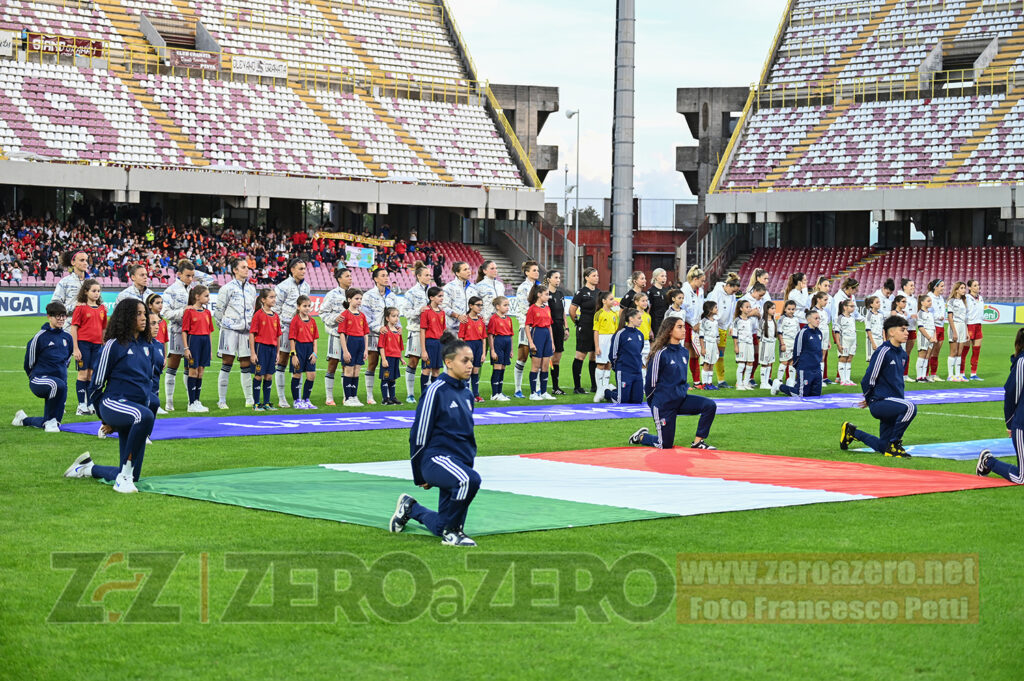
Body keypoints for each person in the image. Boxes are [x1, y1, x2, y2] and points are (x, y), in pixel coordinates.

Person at [389, 334, 481, 547]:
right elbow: (418, 434)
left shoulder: (467, 394)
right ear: (448, 363)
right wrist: (419, 473)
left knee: (440, 524)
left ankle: (410, 507)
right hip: (435, 459)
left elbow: (467, 435)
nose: (470, 365)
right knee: (469, 480)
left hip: (458, 463)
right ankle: (453, 534)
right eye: (464, 361)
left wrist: (466, 464)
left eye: (472, 360)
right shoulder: (435, 391)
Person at [63, 299, 156, 493]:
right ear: (126, 317)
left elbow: (147, 383)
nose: (144, 318)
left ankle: (87, 468)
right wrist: (105, 417)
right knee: (146, 415)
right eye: (138, 314)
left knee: (134, 474)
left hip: (134, 410)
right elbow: (96, 385)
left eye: (144, 314)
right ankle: (122, 480)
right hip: (113, 403)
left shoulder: (149, 346)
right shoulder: (114, 345)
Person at [628, 317, 718, 450]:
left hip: (681, 399)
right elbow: (650, 384)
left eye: (684, 327)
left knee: (709, 406)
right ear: (669, 331)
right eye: (679, 327)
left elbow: (679, 377)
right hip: (663, 404)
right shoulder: (660, 353)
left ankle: (698, 442)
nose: (684, 330)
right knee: (664, 445)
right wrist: (655, 404)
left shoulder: (683, 352)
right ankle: (641, 437)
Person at [840, 315, 915, 458]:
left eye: (907, 330)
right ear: (891, 332)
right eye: (903, 329)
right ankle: (895, 443)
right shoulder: (883, 351)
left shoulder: (903, 354)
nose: (907, 333)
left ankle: (852, 432)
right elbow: (868, 379)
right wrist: (870, 398)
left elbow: (897, 381)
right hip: (881, 402)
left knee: (884, 447)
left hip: (894, 403)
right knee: (910, 407)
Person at [13, 302, 72, 433]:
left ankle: (23, 419)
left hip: (60, 384)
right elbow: (28, 363)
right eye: (57, 316)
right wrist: (35, 377)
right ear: (49, 317)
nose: (61, 319)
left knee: (55, 422)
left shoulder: (67, 338)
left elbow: (67, 360)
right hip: (39, 380)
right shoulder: (39, 337)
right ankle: (50, 422)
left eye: (63, 316)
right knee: (57, 385)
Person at [162, 259, 213, 411]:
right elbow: (165, 313)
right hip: (177, 332)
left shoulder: (194, 288)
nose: (191, 279)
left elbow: (210, 279)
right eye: (187, 275)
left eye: (192, 276)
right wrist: (184, 312)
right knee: (173, 366)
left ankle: (192, 401)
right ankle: (169, 402)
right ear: (178, 274)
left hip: (195, 335)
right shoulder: (170, 291)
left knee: (191, 368)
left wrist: (193, 272)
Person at [976, 328, 1024, 483]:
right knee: (1021, 477)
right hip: (1022, 424)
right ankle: (988, 461)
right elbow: (1011, 393)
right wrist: (1010, 423)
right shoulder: (1022, 362)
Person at [213, 257, 258, 409]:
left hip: (246, 332)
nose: (247, 270)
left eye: (248, 267)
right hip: (230, 331)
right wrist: (225, 328)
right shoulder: (227, 288)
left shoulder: (252, 289)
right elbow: (218, 311)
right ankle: (221, 400)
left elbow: (252, 309)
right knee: (227, 363)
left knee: (246, 364)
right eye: (243, 267)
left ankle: (249, 398)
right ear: (235, 270)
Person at [272, 259, 310, 408]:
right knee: (282, 362)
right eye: (300, 268)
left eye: (305, 269)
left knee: (299, 363)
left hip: (301, 329)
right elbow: (276, 308)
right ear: (292, 269)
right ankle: (282, 398)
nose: (303, 271)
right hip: (285, 327)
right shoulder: (282, 287)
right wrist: (279, 328)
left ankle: (298, 398)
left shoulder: (306, 286)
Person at [69, 279, 106, 415]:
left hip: (97, 346)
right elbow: (74, 328)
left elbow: (103, 328)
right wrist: (75, 348)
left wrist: (104, 343)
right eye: (93, 291)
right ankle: (81, 405)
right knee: (83, 374)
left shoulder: (102, 308)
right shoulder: (81, 308)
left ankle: (90, 404)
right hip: (83, 344)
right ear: (86, 291)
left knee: (92, 375)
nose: (97, 294)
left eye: (98, 291)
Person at [363, 267, 399, 405]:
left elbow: (397, 315)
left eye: (387, 275)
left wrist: (398, 327)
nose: (386, 278)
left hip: (390, 337)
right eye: (383, 275)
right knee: (372, 364)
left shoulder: (392, 296)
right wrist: (378, 328)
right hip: (374, 335)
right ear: (375, 279)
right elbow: (366, 318)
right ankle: (369, 395)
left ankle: (390, 395)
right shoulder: (368, 296)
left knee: (389, 365)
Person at [772, 307, 824, 398]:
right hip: (805, 368)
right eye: (816, 318)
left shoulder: (819, 332)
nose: (818, 320)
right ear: (808, 320)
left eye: (819, 318)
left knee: (816, 395)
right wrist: (797, 365)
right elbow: (797, 351)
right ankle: (779, 386)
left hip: (816, 369)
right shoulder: (803, 333)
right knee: (801, 394)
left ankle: (793, 384)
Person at [320, 266, 353, 406]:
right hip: (336, 335)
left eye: (350, 276)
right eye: (347, 276)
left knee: (348, 365)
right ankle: (329, 397)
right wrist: (334, 318)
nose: (350, 278)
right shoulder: (332, 295)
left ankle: (346, 396)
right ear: (339, 279)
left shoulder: (354, 293)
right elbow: (323, 313)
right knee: (333, 364)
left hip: (351, 336)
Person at [402, 262, 433, 403]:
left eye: (430, 275)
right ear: (418, 276)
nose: (429, 277)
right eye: (426, 275)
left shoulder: (432, 292)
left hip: (431, 334)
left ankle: (428, 393)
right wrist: (418, 311)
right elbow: (405, 312)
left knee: (429, 364)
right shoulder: (411, 293)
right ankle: (410, 394)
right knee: (413, 361)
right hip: (415, 331)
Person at [249, 288, 281, 411]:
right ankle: (256, 404)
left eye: (274, 297)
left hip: (272, 350)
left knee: (269, 376)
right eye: (271, 297)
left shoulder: (276, 316)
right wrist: (253, 353)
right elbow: (252, 334)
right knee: (259, 376)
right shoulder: (258, 315)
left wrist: (278, 353)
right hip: (260, 348)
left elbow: (278, 335)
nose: (274, 299)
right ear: (263, 300)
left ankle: (266, 403)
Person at [182, 284, 213, 412]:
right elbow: (184, 331)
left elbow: (210, 331)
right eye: (206, 296)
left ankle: (197, 401)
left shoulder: (207, 312)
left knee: (201, 372)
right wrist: (186, 348)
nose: (208, 298)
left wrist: (210, 349)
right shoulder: (189, 311)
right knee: (193, 371)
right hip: (194, 342)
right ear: (197, 297)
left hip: (205, 343)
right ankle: (191, 403)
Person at [512, 261, 541, 398]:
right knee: (522, 357)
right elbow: (524, 308)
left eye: (537, 270)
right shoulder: (523, 288)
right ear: (527, 272)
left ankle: (538, 388)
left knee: (538, 357)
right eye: (534, 270)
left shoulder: (540, 286)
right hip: (527, 326)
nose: (537, 272)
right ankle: (518, 389)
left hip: (540, 327)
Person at [569, 267, 600, 394]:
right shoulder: (581, 292)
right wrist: (577, 322)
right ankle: (577, 387)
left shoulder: (599, 292)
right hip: (585, 326)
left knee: (593, 357)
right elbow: (572, 310)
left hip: (596, 328)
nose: (596, 277)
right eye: (593, 275)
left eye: (597, 275)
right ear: (586, 277)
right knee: (581, 356)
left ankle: (595, 386)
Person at [707, 272, 741, 388]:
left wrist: (730, 326)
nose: (734, 293)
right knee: (710, 355)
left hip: (723, 329)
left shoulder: (731, 296)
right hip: (714, 327)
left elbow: (732, 312)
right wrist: (714, 322)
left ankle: (721, 381)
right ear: (728, 286)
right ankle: (707, 381)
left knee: (720, 354)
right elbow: (710, 308)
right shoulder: (716, 292)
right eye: (734, 291)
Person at [606, 308, 645, 404]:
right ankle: (607, 392)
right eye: (639, 318)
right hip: (624, 371)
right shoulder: (620, 334)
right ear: (631, 319)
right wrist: (619, 368)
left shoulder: (640, 335)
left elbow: (638, 352)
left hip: (637, 372)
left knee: (637, 401)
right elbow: (612, 354)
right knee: (622, 400)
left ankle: (618, 390)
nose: (641, 320)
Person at [289, 295, 320, 409]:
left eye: (309, 306)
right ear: (298, 307)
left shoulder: (312, 321)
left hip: (310, 350)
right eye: (304, 306)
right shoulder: (295, 321)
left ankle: (306, 399)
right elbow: (292, 339)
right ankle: (297, 400)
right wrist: (293, 355)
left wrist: (315, 353)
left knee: (311, 375)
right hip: (299, 349)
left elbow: (315, 339)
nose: (307, 308)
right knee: (297, 374)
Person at [525, 286, 555, 400]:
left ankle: (543, 392)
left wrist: (551, 342)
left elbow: (549, 325)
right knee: (536, 366)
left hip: (547, 336)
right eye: (546, 294)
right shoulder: (532, 309)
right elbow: (527, 326)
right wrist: (531, 342)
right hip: (537, 335)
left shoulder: (547, 308)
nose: (548, 296)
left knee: (545, 366)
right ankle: (533, 393)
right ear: (539, 295)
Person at [458, 296, 487, 402]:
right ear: (471, 306)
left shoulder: (481, 320)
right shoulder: (465, 320)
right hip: (468, 346)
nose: (480, 307)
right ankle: (466, 394)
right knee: (467, 371)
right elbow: (461, 337)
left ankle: (476, 395)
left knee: (475, 371)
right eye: (478, 305)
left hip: (478, 346)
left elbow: (484, 338)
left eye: (481, 305)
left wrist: (483, 353)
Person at [545, 270, 569, 395]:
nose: (558, 280)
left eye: (559, 277)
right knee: (546, 358)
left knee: (557, 359)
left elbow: (563, 312)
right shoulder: (545, 294)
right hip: (550, 327)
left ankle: (555, 387)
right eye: (555, 277)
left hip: (559, 327)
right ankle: (541, 386)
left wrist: (567, 328)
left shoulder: (560, 294)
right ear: (549, 279)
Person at [52, 250, 90, 329]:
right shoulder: (64, 282)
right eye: (82, 260)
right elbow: (54, 307)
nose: (86, 263)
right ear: (73, 262)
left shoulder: (92, 283)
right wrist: (74, 306)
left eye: (86, 260)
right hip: (69, 329)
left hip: (89, 329)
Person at [592, 291, 619, 403]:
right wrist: (597, 346)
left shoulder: (614, 314)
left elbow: (616, 330)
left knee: (609, 364)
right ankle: (599, 390)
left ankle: (605, 388)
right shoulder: (599, 313)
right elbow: (596, 331)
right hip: (602, 340)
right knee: (601, 364)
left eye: (613, 299)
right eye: (611, 299)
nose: (613, 301)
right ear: (604, 301)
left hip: (611, 340)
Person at [682, 266, 707, 386]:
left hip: (696, 325)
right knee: (684, 353)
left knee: (695, 352)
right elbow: (683, 310)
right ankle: (682, 381)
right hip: (685, 325)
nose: (703, 283)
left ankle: (696, 380)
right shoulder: (685, 290)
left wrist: (699, 323)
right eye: (702, 280)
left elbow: (700, 309)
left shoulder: (700, 291)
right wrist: (693, 323)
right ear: (695, 279)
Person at [419, 287, 446, 392]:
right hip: (429, 343)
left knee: (437, 370)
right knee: (426, 370)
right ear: (431, 297)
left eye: (442, 296)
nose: (442, 298)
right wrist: (424, 350)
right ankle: (424, 394)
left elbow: (443, 330)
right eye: (439, 296)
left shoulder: (442, 312)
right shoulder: (426, 311)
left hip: (440, 344)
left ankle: (434, 393)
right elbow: (422, 331)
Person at [486, 296, 513, 401]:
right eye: (505, 305)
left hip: (507, 344)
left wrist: (511, 350)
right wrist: (492, 350)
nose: (507, 307)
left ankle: (500, 392)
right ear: (497, 306)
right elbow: (491, 335)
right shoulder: (494, 319)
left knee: (503, 368)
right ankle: (494, 394)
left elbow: (511, 335)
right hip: (498, 344)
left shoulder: (509, 319)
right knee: (497, 368)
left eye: (508, 305)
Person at [378, 307, 405, 406]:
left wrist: (401, 358)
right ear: (387, 318)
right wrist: (384, 359)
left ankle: (392, 397)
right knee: (385, 378)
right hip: (388, 358)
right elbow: (381, 346)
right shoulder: (385, 331)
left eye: (397, 316)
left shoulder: (398, 332)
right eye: (393, 316)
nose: (396, 318)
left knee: (393, 378)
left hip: (395, 359)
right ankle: (385, 398)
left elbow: (400, 346)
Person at [731, 299, 755, 391]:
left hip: (750, 344)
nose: (749, 309)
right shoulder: (737, 320)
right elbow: (734, 334)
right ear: (741, 308)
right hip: (741, 344)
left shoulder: (750, 320)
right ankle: (739, 383)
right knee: (741, 364)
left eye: (750, 307)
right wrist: (736, 346)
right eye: (747, 307)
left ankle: (746, 383)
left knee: (750, 363)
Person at [926, 279, 947, 382]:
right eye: (941, 286)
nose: (943, 288)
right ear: (935, 287)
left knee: (936, 352)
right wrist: (938, 317)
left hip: (941, 327)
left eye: (943, 286)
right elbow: (927, 312)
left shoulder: (941, 298)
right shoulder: (929, 297)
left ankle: (933, 374)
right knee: (928, 352)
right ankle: (925, 374)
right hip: (932, 327)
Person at [947, 281, 968, 382]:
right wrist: (954, 331)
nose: (964, 290)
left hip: (962, 326)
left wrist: (967, 331)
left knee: (960, 352)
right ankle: (950, 375)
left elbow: (965, 318)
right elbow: (950, 317)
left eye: (964, 288)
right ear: (956, 290)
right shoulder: (951, 301)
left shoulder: (964, 301)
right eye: (962, 288)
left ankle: (958, 374)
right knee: (953, 351)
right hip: (954, 325)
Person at [964, 279, 985, 381]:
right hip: (969, 325)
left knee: (976, 351)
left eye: (978, 285)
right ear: (969, 288)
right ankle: (961, 373)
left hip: (978, 325)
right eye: (975, 285)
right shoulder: (967, 298)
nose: (978, 287)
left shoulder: (980, 298)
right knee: (965, 351)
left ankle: (973, 374)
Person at [834, 299, 858, 386]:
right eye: (851, 306)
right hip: (845, 341)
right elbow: (837, 332)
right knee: (843, 358)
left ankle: (848, 379)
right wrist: (838, 344)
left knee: (849, 359)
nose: (853, 308)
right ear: (845, 307)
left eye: (853, 306)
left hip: (853, 341)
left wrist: (855, 343)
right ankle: (843, 380)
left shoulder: (852, 318)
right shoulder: (840, 318)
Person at [474, 260, 504, 326]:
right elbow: (475, 305)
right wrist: (480, 317)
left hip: (499, 322)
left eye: (496, 268)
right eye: (492, 268)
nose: (495, 270)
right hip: (485, 323)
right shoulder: (479, 286)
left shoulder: (500, 285)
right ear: (485, 271)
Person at [777, 299, 800, 386]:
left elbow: (798, 332)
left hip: (794, 343)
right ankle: (779, 381)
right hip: (786, 343)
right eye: (789, 309)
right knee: (784, 362)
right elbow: (779, 332)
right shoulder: (782, 319)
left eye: (793, 309)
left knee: (792, 362)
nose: (791, 311)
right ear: (785, 309)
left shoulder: (796, 319)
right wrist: (782, 343)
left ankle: (791, 381)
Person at [698, 301, 720, 390]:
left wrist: (717, 348)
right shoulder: (703, 321)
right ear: (710, 310)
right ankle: (704, 384)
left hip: (714, 344)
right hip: (707, 344)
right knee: (706, 363)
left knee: (712, 363)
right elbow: (701, 336)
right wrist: (703, 348)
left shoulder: (715, 322)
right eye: (715, 307)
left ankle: (710, 383)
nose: (717, 309)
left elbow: (717, 335)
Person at [900, 279, 918, 378]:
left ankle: (905, 374)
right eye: (911, 285)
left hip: (912, 328)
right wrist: (911, 315)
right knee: (900, 352)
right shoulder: (900, 298)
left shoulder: (914, 299)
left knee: (907, 353)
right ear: (904, 287)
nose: (913, 287)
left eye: (913, 285)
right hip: (903, 329)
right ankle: (899, 374)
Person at [757, 300, 777, 389]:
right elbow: (759, 334)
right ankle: (762, 383)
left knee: (769, 363)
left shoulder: (773, 321)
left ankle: (766, 382)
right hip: (764, 344)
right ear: (767, 309)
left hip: (772, 344)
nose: (774, 310)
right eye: (772, 308)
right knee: (764, 363)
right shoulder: (763, 321)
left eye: (775, 308)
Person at [646, 267, 670, 336]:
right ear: (656, 277)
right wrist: (649, 328)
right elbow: (647, 311)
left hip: (665, 322)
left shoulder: (667, 291)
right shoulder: (651, 291)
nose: (664, 278)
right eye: (662, 276)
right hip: (655, 322)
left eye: (665, 276)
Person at [864, 295, 884, 361]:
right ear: (871, 304)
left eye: (879, 302)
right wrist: (872, 342)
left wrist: (884, 340)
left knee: (880, 360)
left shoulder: (881, 314)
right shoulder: (869, 315)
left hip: (880, 339)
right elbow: (868, 330)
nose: (879, 304)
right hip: (873, 340)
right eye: (877, 302)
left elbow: (883, 328)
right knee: (872, 360)